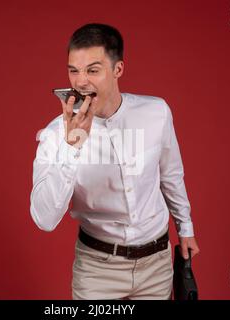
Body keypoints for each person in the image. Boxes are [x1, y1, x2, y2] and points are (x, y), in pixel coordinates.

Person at [30, 23, 200, 300]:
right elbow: (44, 219)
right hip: (97, 270)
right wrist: (71, 146)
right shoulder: (53, 135)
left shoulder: (157, 112)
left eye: (93, 70)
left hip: (156, 265)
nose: (80, 82)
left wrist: (186, 229)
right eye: (74, 70)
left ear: (118, 70)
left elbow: (170, 175)